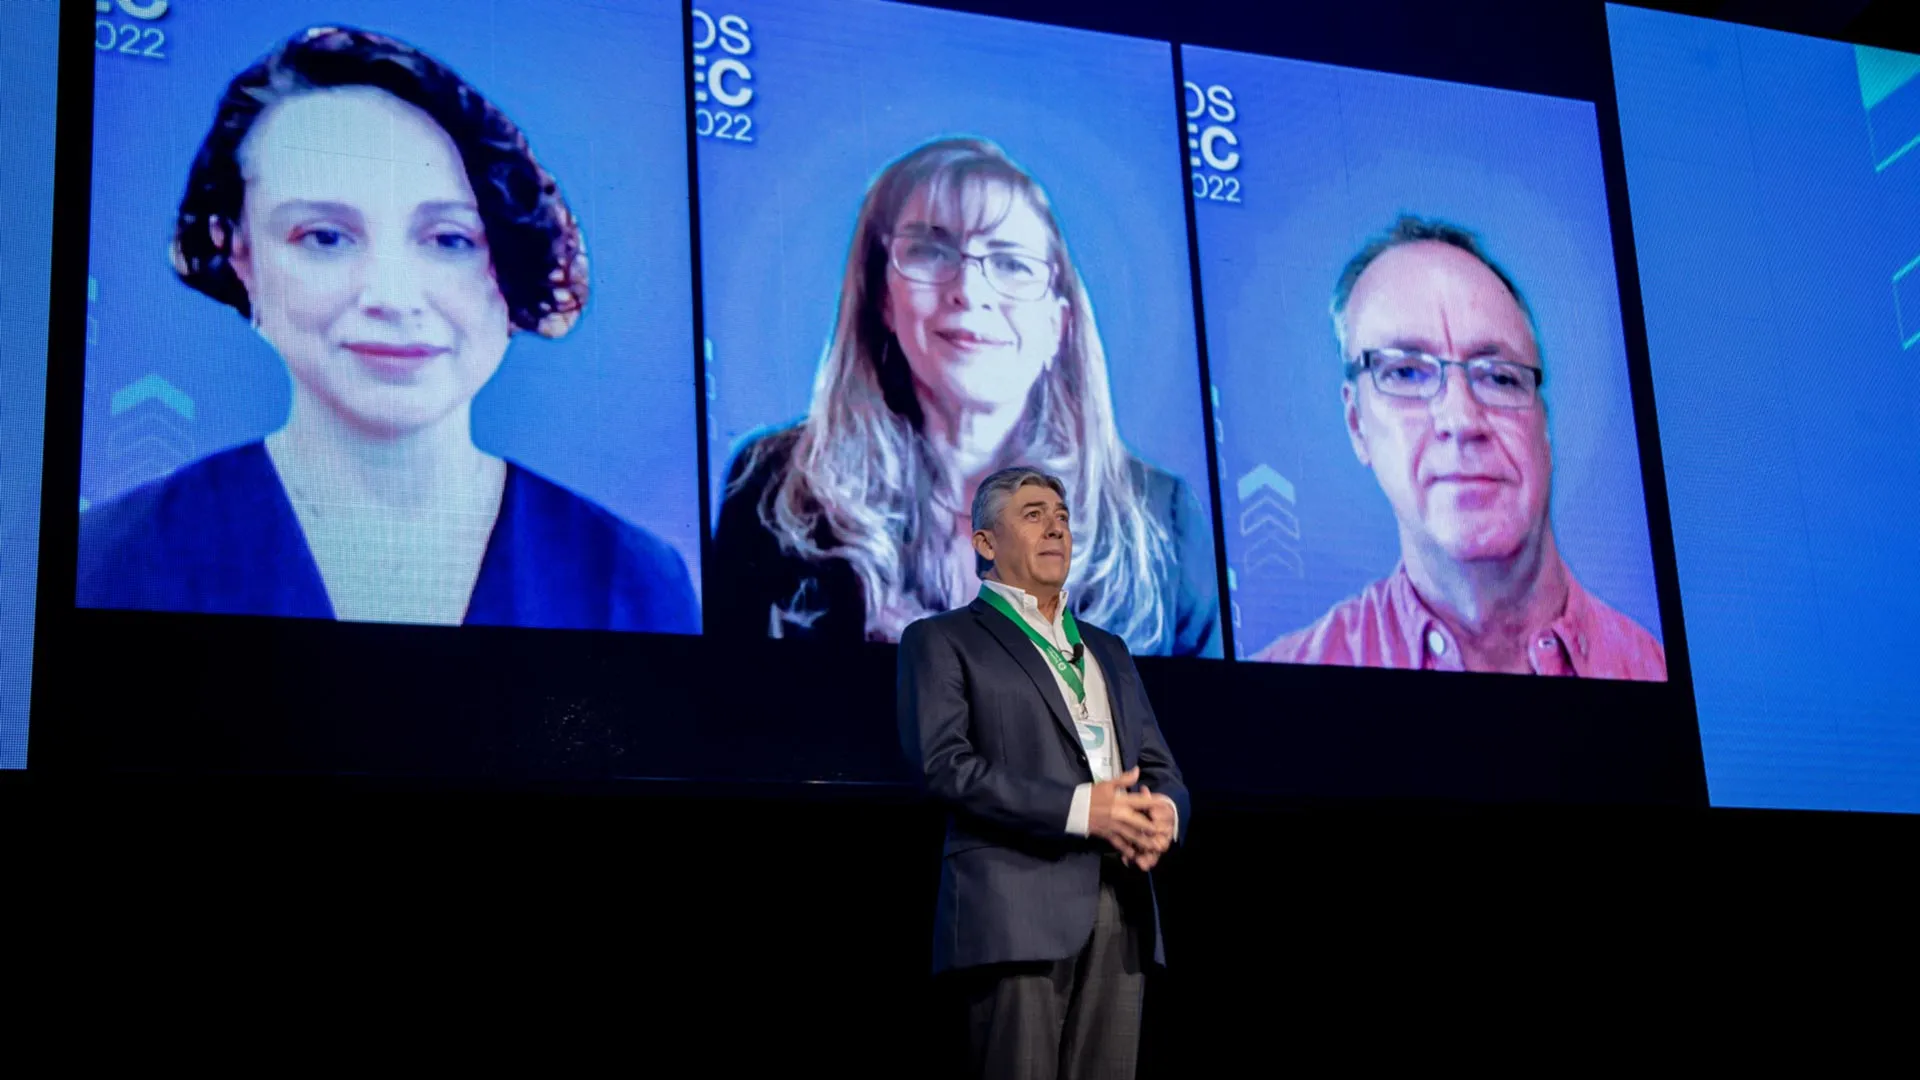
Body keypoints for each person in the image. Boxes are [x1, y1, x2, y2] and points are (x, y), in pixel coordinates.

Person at [77, 26, 698, 633]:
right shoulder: (112, 561)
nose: (392, 297)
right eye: (325, 236)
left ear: (507, 259)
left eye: (449, 239)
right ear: (238, 253)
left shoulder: (633, 580)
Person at [714, 137, 1219, 657]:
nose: (970, 290)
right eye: (932, 251)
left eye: (1011, 263)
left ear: (1058, 325)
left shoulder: (1162, 522)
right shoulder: (771, 488)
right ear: (884, 299)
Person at [1255, 216, 1665, 679]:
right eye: (1405, 373)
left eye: (1499, 377)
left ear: (1543, 426)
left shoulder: (1660, 675)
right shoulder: (1277, 682)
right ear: (1356, 422)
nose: (1462, 420)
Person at [898, 466, 1187, 1079]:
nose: (1056, 527)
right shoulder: (942, 640)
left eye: (1061, 516)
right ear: (984, 543)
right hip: (1014, 908)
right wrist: (1085, 810)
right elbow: (945, 766)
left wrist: (1165, 814)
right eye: (1033, 514)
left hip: (1123, 904)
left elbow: (1160, 767)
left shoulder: (1108, 648)